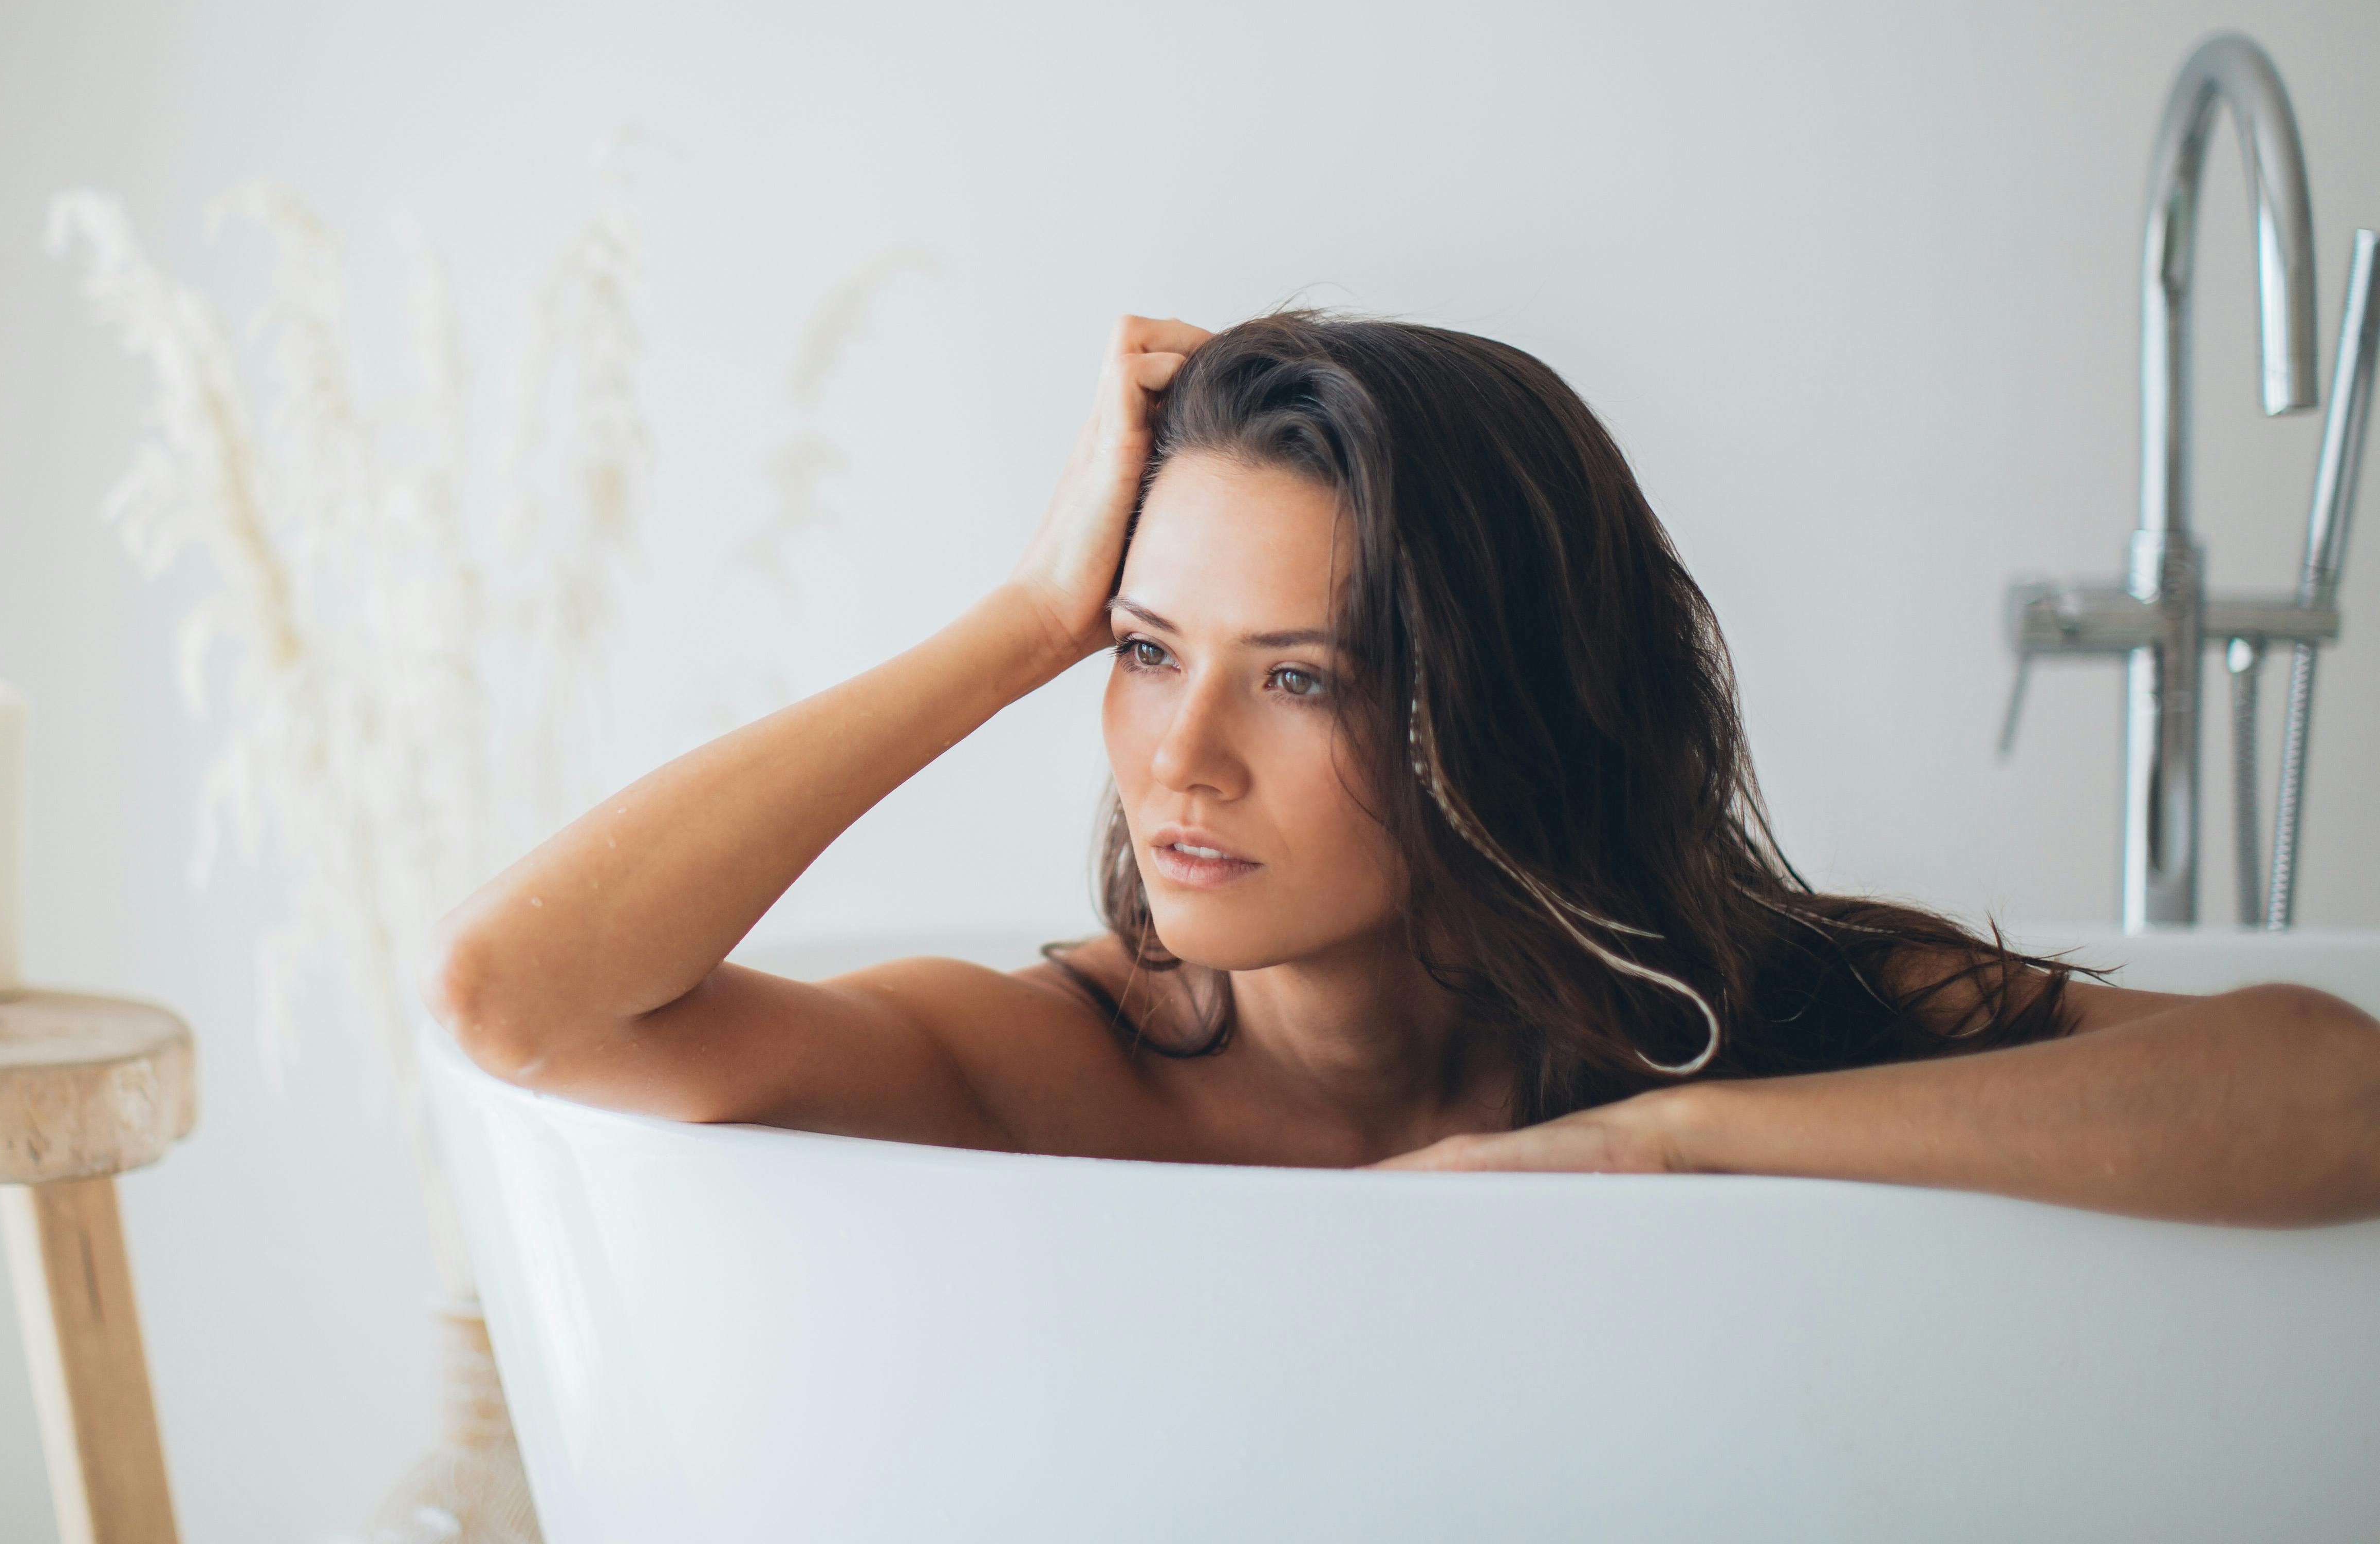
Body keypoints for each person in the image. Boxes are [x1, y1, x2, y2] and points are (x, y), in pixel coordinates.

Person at [428, 312, 2380, 1224]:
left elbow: (2336, 1093)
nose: (1178, 758)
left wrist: (1652, 1146)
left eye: (1302, 679)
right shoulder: (1045, 1070)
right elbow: (513, 1000)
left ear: (1503, 706)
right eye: (1143, 654)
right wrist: (1028, 611)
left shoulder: (1728, 1023)